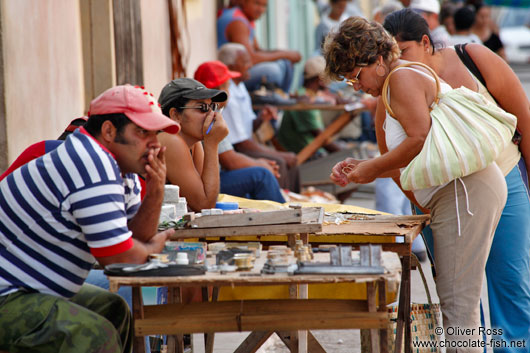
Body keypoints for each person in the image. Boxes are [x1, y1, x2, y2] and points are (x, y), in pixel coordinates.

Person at [324, 17, 507, 351]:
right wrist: (364, 167)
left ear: (376, 61)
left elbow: (419, 138)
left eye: (355, 76)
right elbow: (412, 154)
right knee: (462, 301)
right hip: (463, 193)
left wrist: (369, 169)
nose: (356, 86)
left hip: (463, 193)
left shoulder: (401, 79)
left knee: (458, 306)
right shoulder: (402, 74)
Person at [383, 8, 530, 350]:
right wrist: (421, 204)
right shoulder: (395, 85)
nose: (397, 62)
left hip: (505, 178)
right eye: (390, 55)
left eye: (403, 52)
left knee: (510, 285)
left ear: (425, 42)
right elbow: (391, 160)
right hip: (441, 197)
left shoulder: (474, 58)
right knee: (461, 299)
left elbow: (523, 120)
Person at [0, 84, 178, 353]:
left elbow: (134, 237)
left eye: (155, 133)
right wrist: (152, 250)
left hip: (29, 290)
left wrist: (155, 193)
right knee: (95, 335)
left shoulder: (122, 167)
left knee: (114, 309)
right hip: (8, 295)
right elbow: (119, 258)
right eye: (142, 132)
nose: (154, 142)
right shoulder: (89, 163)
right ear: (108, 131)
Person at [194, 60, 285, 203]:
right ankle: (285, 219)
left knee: (251, 189)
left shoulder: (211, 112)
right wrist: (262, 165)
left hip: (214, 175)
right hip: (209, 180)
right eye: (228, 86)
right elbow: (230, 160)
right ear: (219, 91)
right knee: (262, 176)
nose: (229, 92)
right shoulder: (209, 116)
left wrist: (259, 162)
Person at [218, 42, 301, 192]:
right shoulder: (228, 92)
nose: (250, 65)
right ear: (231, 66)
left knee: (290, 160)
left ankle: (293, 202)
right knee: (281, 162)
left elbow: (249, 127)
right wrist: (275, 154)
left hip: (244, 145)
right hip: (238, 149)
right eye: (245, 62)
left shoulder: (240, 86)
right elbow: (241, 144)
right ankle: (283, 208)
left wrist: (262, 118)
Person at [157, 78, 229, 212]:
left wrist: (210, 143)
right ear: (175, 115)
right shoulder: (170, 141)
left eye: (212, 107)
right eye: (202, 108)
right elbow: (204, 205)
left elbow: (208, 194)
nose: (211, 115)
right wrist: (212, 143)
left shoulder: (194, 144)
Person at [217, 0, 301, 92]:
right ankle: (276, 99)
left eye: (264, 5)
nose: (261, 9)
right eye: (256, 3)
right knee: (273, 71)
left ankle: (283, 97)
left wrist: (285, 54)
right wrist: (285, 54)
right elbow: (251, 59)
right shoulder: (237, 21)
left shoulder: (247, 19)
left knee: (285, 63)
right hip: (232, 75)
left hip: (245, 69)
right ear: (243, 2)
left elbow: (257, 50)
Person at [277, 55, 342, 157]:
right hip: (304, 158)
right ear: (320, 79)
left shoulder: (306, 95)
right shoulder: (306, 101)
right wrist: (344, 155)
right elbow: (322, 140)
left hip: (307, 153)